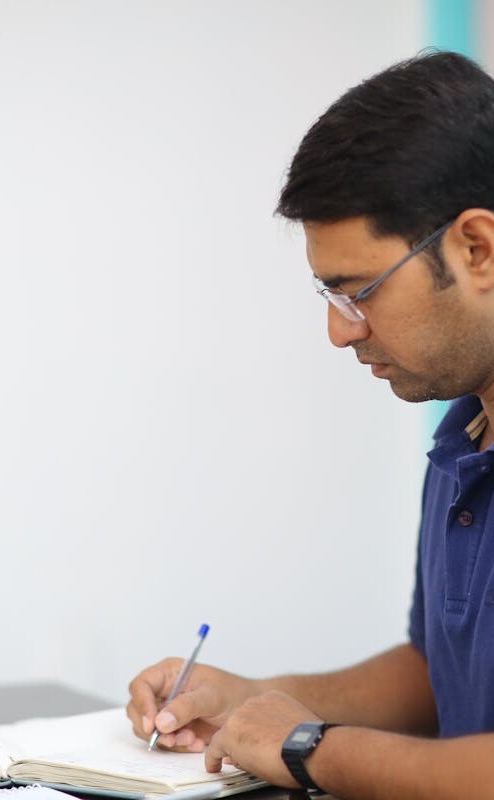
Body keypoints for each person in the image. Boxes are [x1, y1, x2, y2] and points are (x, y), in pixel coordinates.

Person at [127, 50, 494, 799]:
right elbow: (440, 673)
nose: (339, 331)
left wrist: (308, 748)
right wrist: (250, 700)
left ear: (478, 248)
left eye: (361, 292)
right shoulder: (463, 434)